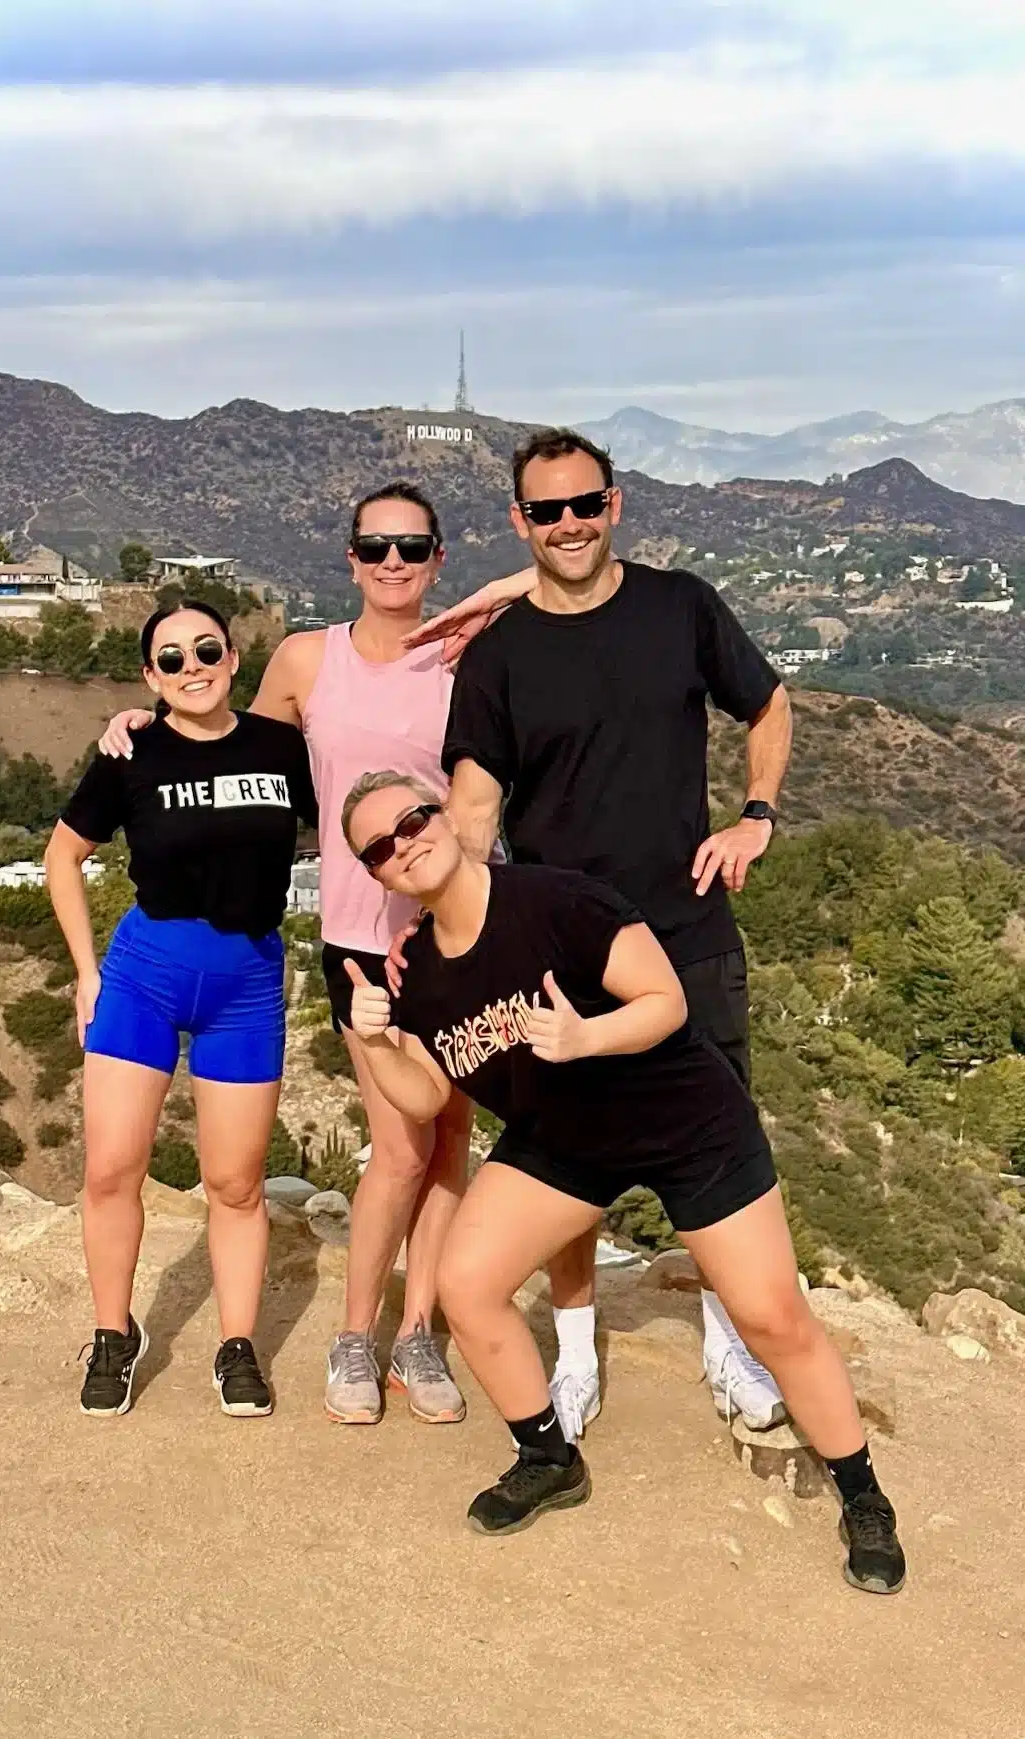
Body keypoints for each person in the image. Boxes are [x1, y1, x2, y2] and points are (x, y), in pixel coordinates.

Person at [342, 773, 906, 1594]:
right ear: (376, 872)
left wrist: (581, 1037)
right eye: (379, 846)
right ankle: (547, 1456)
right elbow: (430, 1094)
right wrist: (380, 1044)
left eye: (413, 819)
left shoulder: (558, 901)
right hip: (566, 1142)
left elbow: (666, 1001)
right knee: (467, 1283)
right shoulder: (419, 972)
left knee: (773, 1314)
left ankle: (862, 1492)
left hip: (684, 1121)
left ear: (442, 814)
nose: (404, 843)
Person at [393, 428, 794, 1444]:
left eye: (585, 505)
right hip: (559, 950)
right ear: (519, 521)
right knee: (562, 1144)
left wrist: (757, 813)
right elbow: (473, 804)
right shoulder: (500, 654)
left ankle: (730, 1343)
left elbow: (770, 701)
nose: (568, 524)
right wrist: (449, 931)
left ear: (613, 505)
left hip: (686, 928)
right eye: (546, 510)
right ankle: (573, 1354)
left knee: (712, 1139)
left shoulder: (682, 606)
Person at [96, 486, 512, 1426]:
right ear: (353, 558)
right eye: (377, 546)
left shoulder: (468, 652)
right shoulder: (303, 660)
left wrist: (498, 592)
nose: (394, 562)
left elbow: (573, 584)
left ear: (441, 557)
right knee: (400, 1146)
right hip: (363, 934)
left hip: (462, 926)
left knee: (451, 1136)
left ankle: (418, 1331)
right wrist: (133, 725)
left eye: (414, 546)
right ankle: (355, 1336)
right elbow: (216, 736)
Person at [45, 600, 317, 1420]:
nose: (192, 665)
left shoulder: (280, 747)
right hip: (144, 976)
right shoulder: (132, 752)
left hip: (246, 981)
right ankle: (111, 1333)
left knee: (235, 1183)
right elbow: (63, 856)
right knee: (111, 1169)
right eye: (171, 659)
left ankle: (236, 1344)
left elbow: (347, 825)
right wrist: (86, 973)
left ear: (234, 657)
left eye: (206, 649)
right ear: (149, 677)